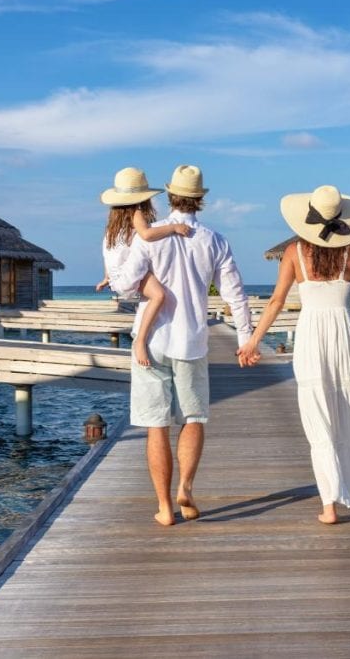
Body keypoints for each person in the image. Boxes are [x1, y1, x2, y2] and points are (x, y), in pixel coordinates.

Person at [237, 185, 350, 524]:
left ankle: (329, 505)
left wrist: (253, 340)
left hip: (312, 336)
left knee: (318, 414)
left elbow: (276, 301)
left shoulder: (294, 253)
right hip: (343, 336)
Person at [110, 165, 253, 526]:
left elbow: (124, 287)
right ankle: (186, 487)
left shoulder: (150, 237)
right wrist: (245, 339)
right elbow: (235, 295)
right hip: (192, 340)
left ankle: (163, 506)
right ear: (200, 199)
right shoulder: (215, 240)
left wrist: (138, 280)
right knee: (194, 417)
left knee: (155, 425)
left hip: (152, 338)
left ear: (169, 195)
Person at [98, 167, 191, 367]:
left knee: (153, 296)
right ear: (143, 197)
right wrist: (174, 228)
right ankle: (140, 340)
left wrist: (106, 277)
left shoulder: (113, 221)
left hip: (116, 276)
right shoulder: (136, 212)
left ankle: (142, 336)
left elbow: (110, 251)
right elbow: (147, 234)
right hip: (127, 274)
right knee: (159, 296)